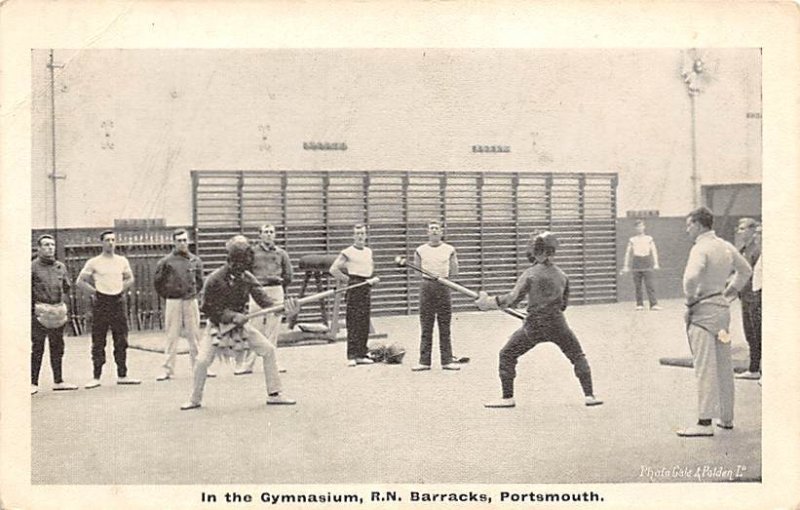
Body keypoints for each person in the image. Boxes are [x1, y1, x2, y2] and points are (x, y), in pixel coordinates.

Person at [475, 231, 603, 408]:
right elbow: (563, 305)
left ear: (535, 252)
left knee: (507, 354)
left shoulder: (530, 274)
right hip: (558, 324)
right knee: (577, 356)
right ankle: (590, 396)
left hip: (534, 327)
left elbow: (512, 299)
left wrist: (487, 302)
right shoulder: (563, 276)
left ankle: (507, 398)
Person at [181, 236, 298, 410]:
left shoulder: (247, 277)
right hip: (217, 326)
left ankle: (275, 394)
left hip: (241, 326)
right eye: (239, 263)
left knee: (268, 350)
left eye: (245, 264)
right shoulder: (214, 279)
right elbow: (207, 308)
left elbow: (265, 301)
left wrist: (285, 309)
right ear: (231, 261)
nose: (242, 268)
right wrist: (231, 316)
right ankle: (194, 399)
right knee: (202, 361)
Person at [677, 206, 751, 437]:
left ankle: (704, 422)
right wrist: (730, 291)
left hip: (702, 314)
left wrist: (690, 298)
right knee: (724, 365)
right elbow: (745, 270)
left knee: (704, 367)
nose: (687, 229)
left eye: (689, 225)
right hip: (722, 313)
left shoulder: (701, 248)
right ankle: (727, 418)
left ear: (699, 225)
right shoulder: (726, 246)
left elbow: (690, 277)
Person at [77, 230, 140, 388]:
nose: (110, 243)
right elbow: (80, 281)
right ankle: (96, 377)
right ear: (102, 242)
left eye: (113, 240)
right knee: (98, 341)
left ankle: (122, 375)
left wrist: (120, 288)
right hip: (101, 303)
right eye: (107, 240)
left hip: (118, 302)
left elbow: (130, 278)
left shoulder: (121, 260)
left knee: (121, 340)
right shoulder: (94, 262)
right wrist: (96, 292)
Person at [153, 228, 214, 380]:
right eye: (179, 240)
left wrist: (192, 294)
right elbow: (158, 283)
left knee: (194, 336)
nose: (182, 243)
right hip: (173, 301)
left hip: (190, 300)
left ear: (188, 241)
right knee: (172, 336)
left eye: (184, 240)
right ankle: (167, 369)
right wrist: (169, 295)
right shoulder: (166, 262)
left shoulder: (195, 260)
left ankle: (199, 367)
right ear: (174, 242)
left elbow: (200, 281)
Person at [234, 223, 293, 375]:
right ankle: (247, 365)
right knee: (254, 327)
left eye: (271, 232)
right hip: (257, 290)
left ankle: (273, 362)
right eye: (265, 232)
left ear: (275, 235)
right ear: (259, 235)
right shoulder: (252, 252)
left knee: (273, 329)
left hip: (276, 290)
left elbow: (288, 275)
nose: (268, 235)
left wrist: (278, 283)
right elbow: (244, 272)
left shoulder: (281, 253)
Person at [411, 220, 462, 371]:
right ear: (427, 232)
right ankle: (424, 361)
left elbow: (454, 271)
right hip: (427, 287)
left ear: (441, 232)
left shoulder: (449, 249)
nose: (434, 231)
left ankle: (447, 360)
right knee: (426, 325)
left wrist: (442, 277)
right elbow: (416, 273)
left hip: (444, 286)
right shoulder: (420, 250)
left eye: (436, 229)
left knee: (444, 325)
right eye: (431, 229)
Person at [31, 234, 78, 394]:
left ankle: (58, 381)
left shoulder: (60, 267)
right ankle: (32, 383)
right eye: (46, 245)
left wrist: (64, 309)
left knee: (57, 347)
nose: (50, 247)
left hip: (57, 311)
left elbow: (66, 288)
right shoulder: (32, 267)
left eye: (52, 245)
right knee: (37, 347)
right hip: (39, 311)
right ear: (39, 248)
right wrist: (32, 313)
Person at [329, 224, 375, 367]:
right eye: (357, 233)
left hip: (366, 285)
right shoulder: (347, 252)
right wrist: (348, 280)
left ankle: (362, 353)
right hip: (354, 285)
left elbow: (370, 267)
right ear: (353, 236)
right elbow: (333, 269)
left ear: (366, 235)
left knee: (364, 321)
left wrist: (371, 279)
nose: (360, 236)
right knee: (353, 321)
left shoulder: (368, 251)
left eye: (362, 233)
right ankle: (352, 355)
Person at [734, 218, 762, 380]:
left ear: (753, 231)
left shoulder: (756, 250)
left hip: (754, 297)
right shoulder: (743, 249)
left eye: (743, 228)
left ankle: (756, 368)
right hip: (745, 296)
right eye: (739, 228)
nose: (739, 231)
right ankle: (754, 368)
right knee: (749, 333)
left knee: (756, 333)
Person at [621, 219, 662, 310]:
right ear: (635, 228)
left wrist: (656, 263)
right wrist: (625, 266)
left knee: (650, 285)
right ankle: (639, 304)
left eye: (641, 226)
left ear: (644, 227)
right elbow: (628, 253)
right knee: (638, 285)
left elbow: (654, 251)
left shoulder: (649, 238)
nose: (640, 228)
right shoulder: (632, 240)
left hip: (647, 261)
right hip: (637, 261)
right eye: (638, 226)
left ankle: (653, 304)